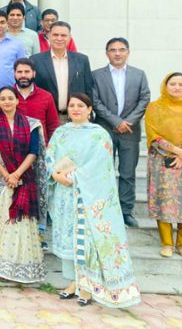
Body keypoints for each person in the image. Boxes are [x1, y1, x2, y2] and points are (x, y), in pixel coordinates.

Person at [46, 93, 141, 308]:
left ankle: (88, 285)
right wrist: (55, 174)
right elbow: (50, 157)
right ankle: (72, 282)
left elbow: (100, 166)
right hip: (63, 194)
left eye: (81, 105)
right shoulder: (60, 133)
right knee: (67, 236)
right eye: (72, 105)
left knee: (86, 239)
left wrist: (73, 177)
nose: (76, 109)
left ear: (90, 109)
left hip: (87, 195)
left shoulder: (99, 135)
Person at [0, 86, 46, 283]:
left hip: (23, 178)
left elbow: (33, 151)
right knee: (3, 221)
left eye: (11, 98)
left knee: (21, 224)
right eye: (3, 99)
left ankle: (22, 267)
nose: (7, 102)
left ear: (18, 101)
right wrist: (7, 176)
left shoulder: (30, 124)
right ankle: (1, 266)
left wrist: (17, 174)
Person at [92, 38, 150, 228]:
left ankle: (126, 212)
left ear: (128, 52)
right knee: (102, 172)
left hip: (130, 131)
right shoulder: (96, 75)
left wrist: (128, 122)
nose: (117, 53)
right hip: (104, 129)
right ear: (106, 53)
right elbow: (95, 101)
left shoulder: (139, 75)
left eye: (121, 50)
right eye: (112, 50)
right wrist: (116, 121)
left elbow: (144, 99)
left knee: (127, 173)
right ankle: (104, 209)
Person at [144, 72, 182, 258]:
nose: (177, 87)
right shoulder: (155, 107)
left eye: (181, 84)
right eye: (173, 84)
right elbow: (153, 135)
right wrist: (177, 151)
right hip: (162, 161)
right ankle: (166, 242)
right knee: (164, 200)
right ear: (165, 86)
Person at [31, 21, 94, 123]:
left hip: (75, 118)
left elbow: (88, 90)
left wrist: (88, 115)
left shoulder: (82, 60)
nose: (59, 38)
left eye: (63, 35)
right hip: (47, 118)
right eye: (55, 35)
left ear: (69, 38)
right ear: (49, 36)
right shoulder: (35, 60)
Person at [0, 58, 60, 143]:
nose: (23, 75)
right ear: (14, 74)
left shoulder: (46, 96)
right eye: (19, 72)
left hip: (39, 148)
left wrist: (50, 148)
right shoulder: (4, 96)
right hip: (10, 148)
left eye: (27, 72)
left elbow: (53, 126)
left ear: (34, 74)